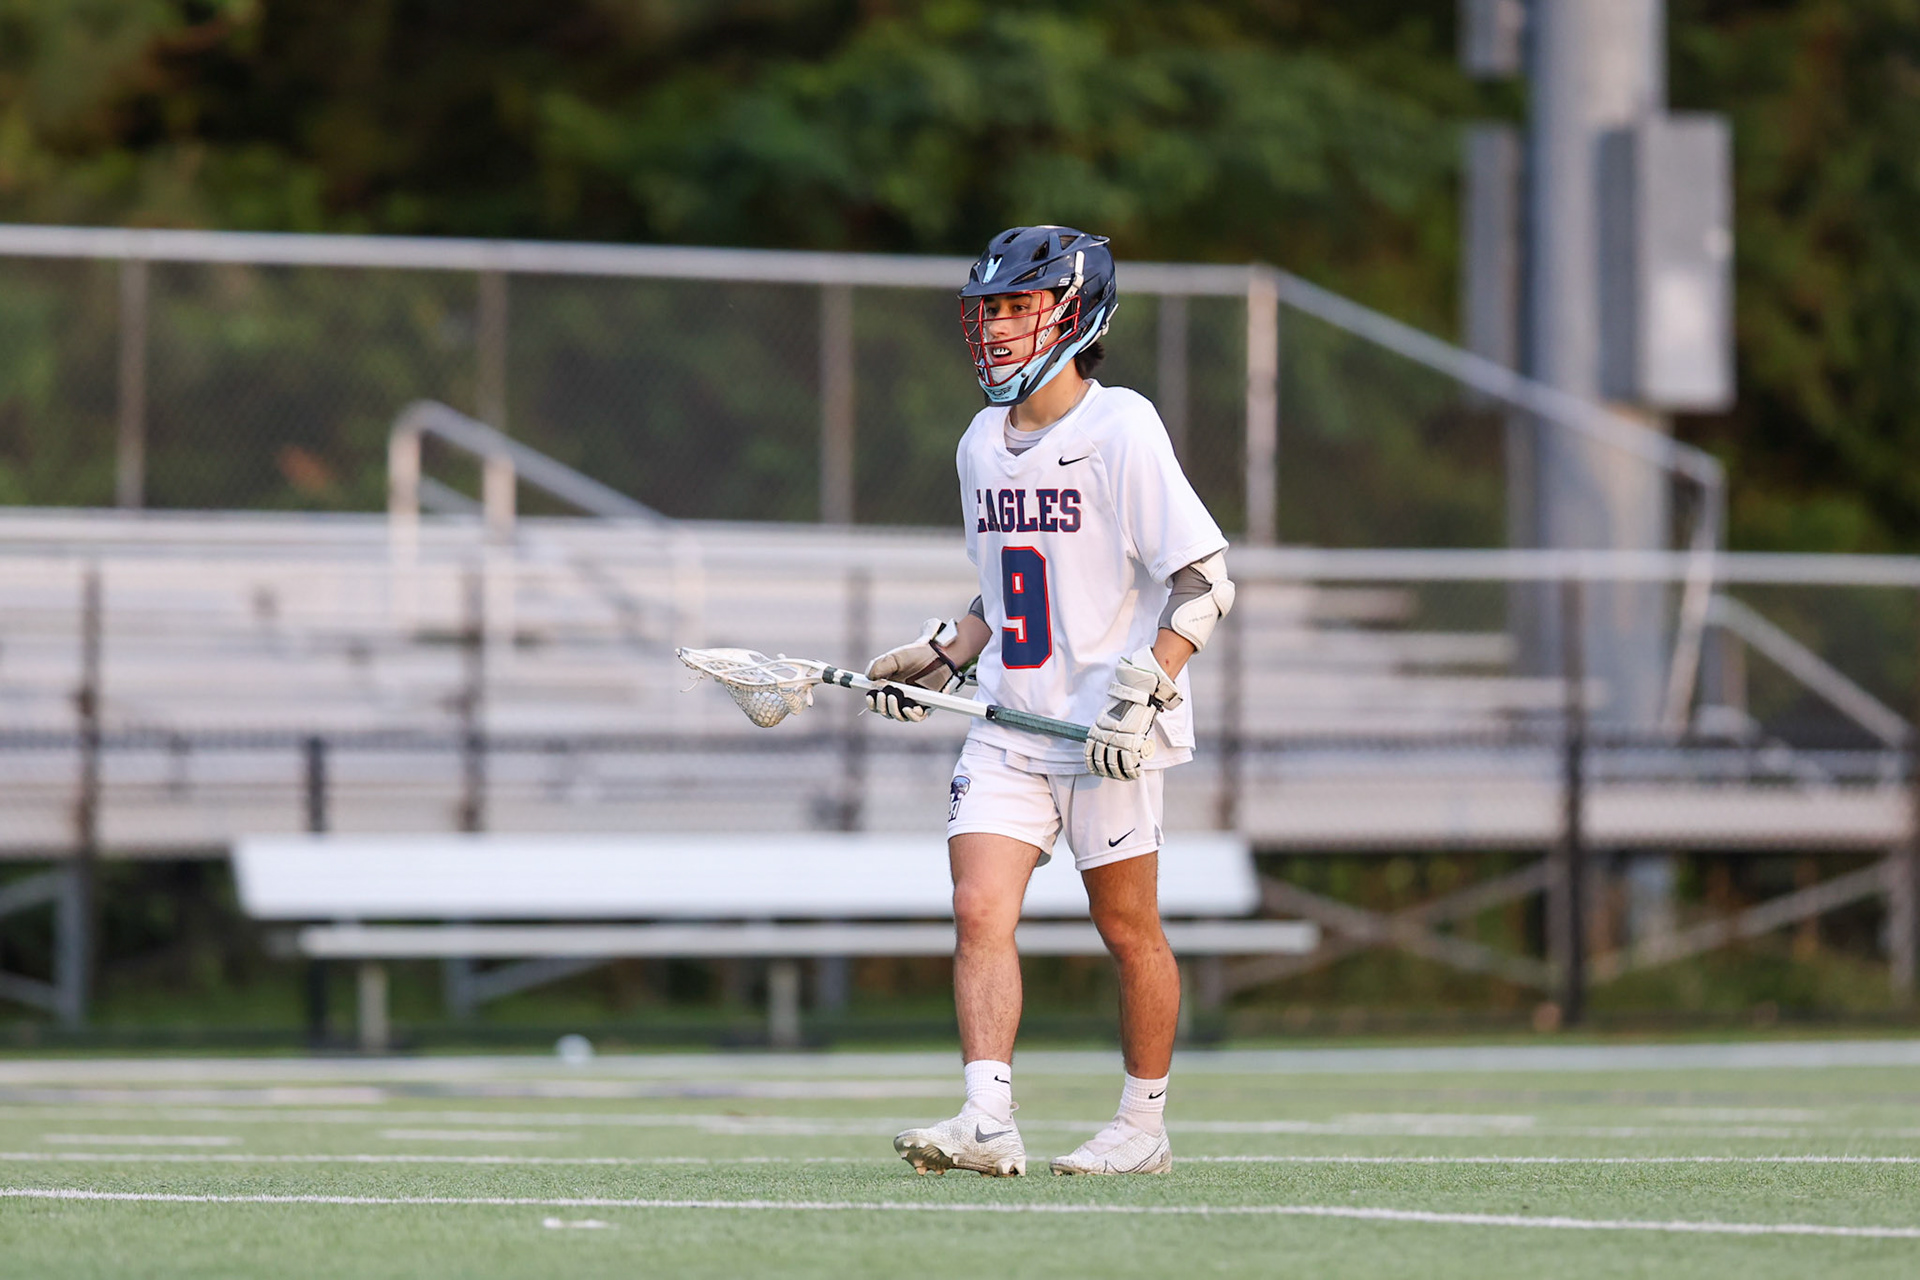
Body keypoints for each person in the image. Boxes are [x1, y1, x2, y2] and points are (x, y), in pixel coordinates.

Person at [868, 226, 1235, 1177]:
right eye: (987, 308)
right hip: (1005, 723)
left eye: (1017, 306)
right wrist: (945, 654)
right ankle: (987, 1117)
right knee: (977, 906)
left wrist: (1148, 688)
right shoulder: (980, 444)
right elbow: (1008, 583)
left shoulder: (1121, 428)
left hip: (1102, 729)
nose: (996, 327)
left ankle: (1143, 1127)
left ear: (1075, 313)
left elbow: (1204, 581)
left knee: (1127, 931)